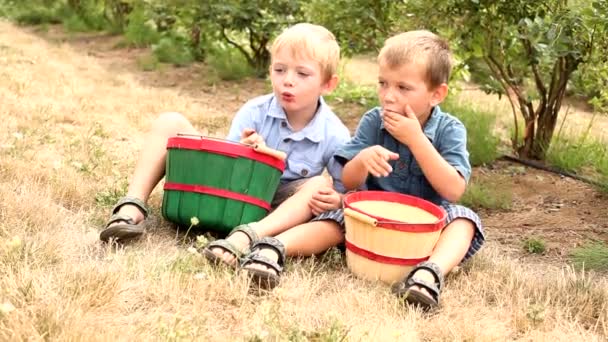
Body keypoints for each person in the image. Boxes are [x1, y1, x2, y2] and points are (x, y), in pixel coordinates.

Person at [100, 23, 350, 288]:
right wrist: (246, 151)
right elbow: (227, 171)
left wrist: (335, 198)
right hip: (236, 194)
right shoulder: (255, 111)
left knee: (319, 184)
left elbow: (344, 195)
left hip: (278, 210)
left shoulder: (335, 133)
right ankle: (132, 207)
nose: (288, 80)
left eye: (303, 74)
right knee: (170, 121)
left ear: (328, 84)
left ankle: (249, 236)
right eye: (279, 70)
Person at [318, 30, 486, 310]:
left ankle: (429, 273)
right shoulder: (374, 120)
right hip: (374, 222)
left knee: (464, 221)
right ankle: (276, 247)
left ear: (436, 94)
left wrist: (416, 139)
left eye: (403, 88)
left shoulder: (450, 130)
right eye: (383, 84)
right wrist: (362, 160)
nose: (388, 96)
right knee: (337, 213)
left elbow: (454, 190)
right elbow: (347, 180)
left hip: (427, 230)